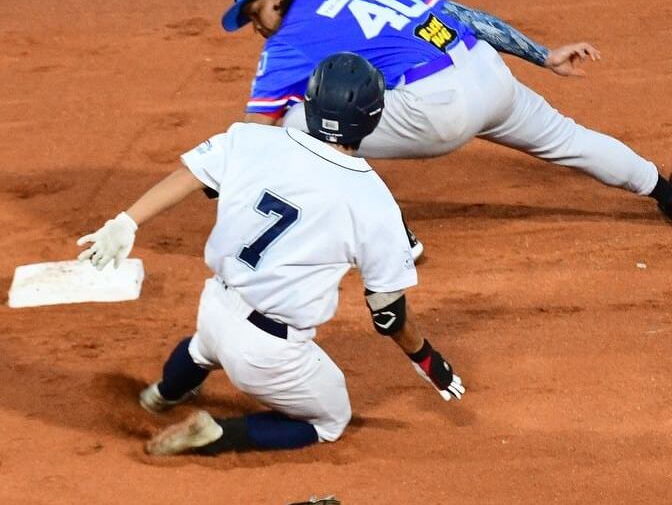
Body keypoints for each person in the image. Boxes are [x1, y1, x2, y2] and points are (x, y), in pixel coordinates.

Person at [77, 53, 465, 456]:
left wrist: (127, 221)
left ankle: (159, 396)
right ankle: (216, 435)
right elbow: (389, 312)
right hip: (269, 354)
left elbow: (188, 175)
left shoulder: (252, 139)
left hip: (214, 307)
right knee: (330, 421)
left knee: (202, 349)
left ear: (309, 104)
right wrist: (426, 359)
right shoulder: (375, 203)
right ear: (373, 117)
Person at [220, 0, 672, 230]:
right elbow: (465, 16)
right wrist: (542, 54)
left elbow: (254, 133)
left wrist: (217, 174)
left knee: (297, 122)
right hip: (487, 71)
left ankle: (392, 235)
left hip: (436, 110)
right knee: (568, 138)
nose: (254, 27)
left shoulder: (288, 41)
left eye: (253, 14)